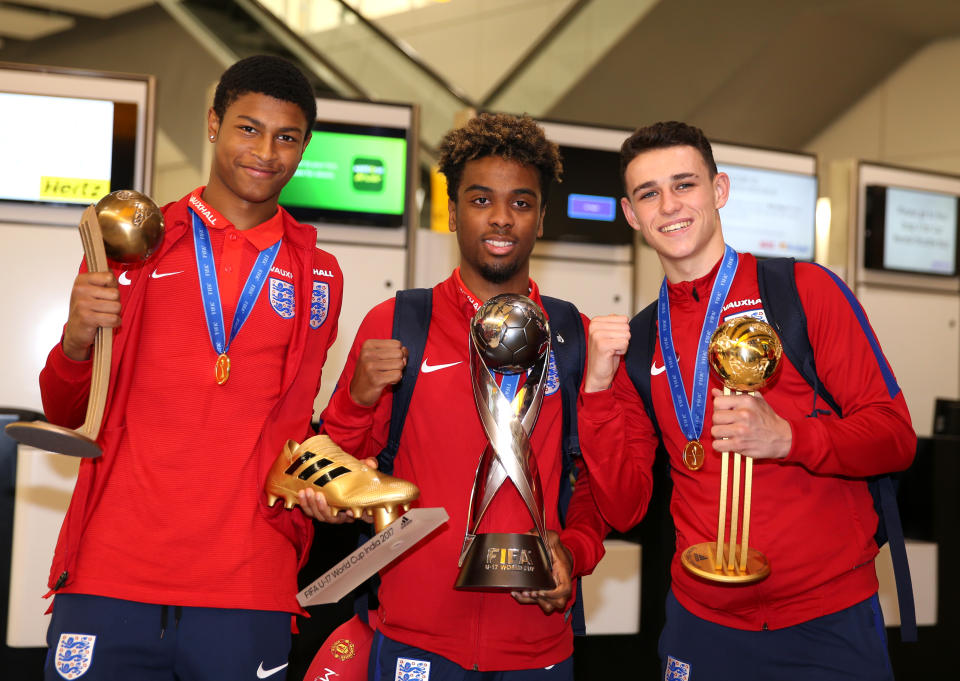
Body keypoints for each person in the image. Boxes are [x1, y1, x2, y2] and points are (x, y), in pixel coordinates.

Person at [38, 55, 342, 681]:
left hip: (247, 583)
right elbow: (66, 411)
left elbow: (293, 425)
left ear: (305, 148)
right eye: (247, 128)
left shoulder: (321, 275)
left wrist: (327, 480)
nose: (265, 151)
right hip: (113, 571)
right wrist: (75, 339)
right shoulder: (138, 242)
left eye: (287, 137)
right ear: (213, 124)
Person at [577, 121, 917, 680]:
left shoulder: (805, 292)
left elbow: (895, 437)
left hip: (825, 621)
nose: (669, 206)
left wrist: (789, 437)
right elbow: (623, 508)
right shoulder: (639, 345)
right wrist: (595, 393)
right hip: (702, 624)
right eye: (648, 194)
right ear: (631, 214)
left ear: (719, 191)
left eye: (684, 184)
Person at [302, 112, 609, 680]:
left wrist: (574, 551)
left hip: (536, 647)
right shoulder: (399, 321)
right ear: (451, 212)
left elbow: (590, 479)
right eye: (479, 199)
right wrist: (358, 400)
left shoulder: (572, 336)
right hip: (413, 641)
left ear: (541, 219)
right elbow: (339, 471)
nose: (500, 218)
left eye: (521, 203)